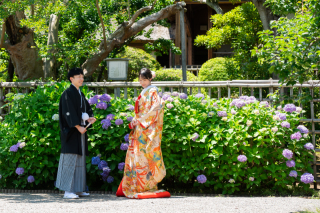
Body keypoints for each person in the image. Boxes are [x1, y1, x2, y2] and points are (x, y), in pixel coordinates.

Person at [116, 68, 170, 199]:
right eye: (140, 80)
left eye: (145, 80)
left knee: (144, 156)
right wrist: (136, 120)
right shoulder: (146, 91)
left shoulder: (153, 91)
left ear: (150, 79)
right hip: (140, 127)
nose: (142, 82)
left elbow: (156, 108)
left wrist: (141, 120)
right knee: (137, 156)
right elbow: (140, 111)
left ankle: (145, 185)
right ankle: (136, 184)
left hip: (146, 128)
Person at [55, 68, 96, 199]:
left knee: (80, 160)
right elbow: (68, 113)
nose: (81, 79)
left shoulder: (80, 94)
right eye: (78, 76)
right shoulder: (67, 94)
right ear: (71, 79)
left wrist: (90, 118)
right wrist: (78, 126)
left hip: (81, 131)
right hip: (71, 132)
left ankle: (78, 189)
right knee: (70, 159)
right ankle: (67, 190)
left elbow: (87, 110)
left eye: (82, 76)